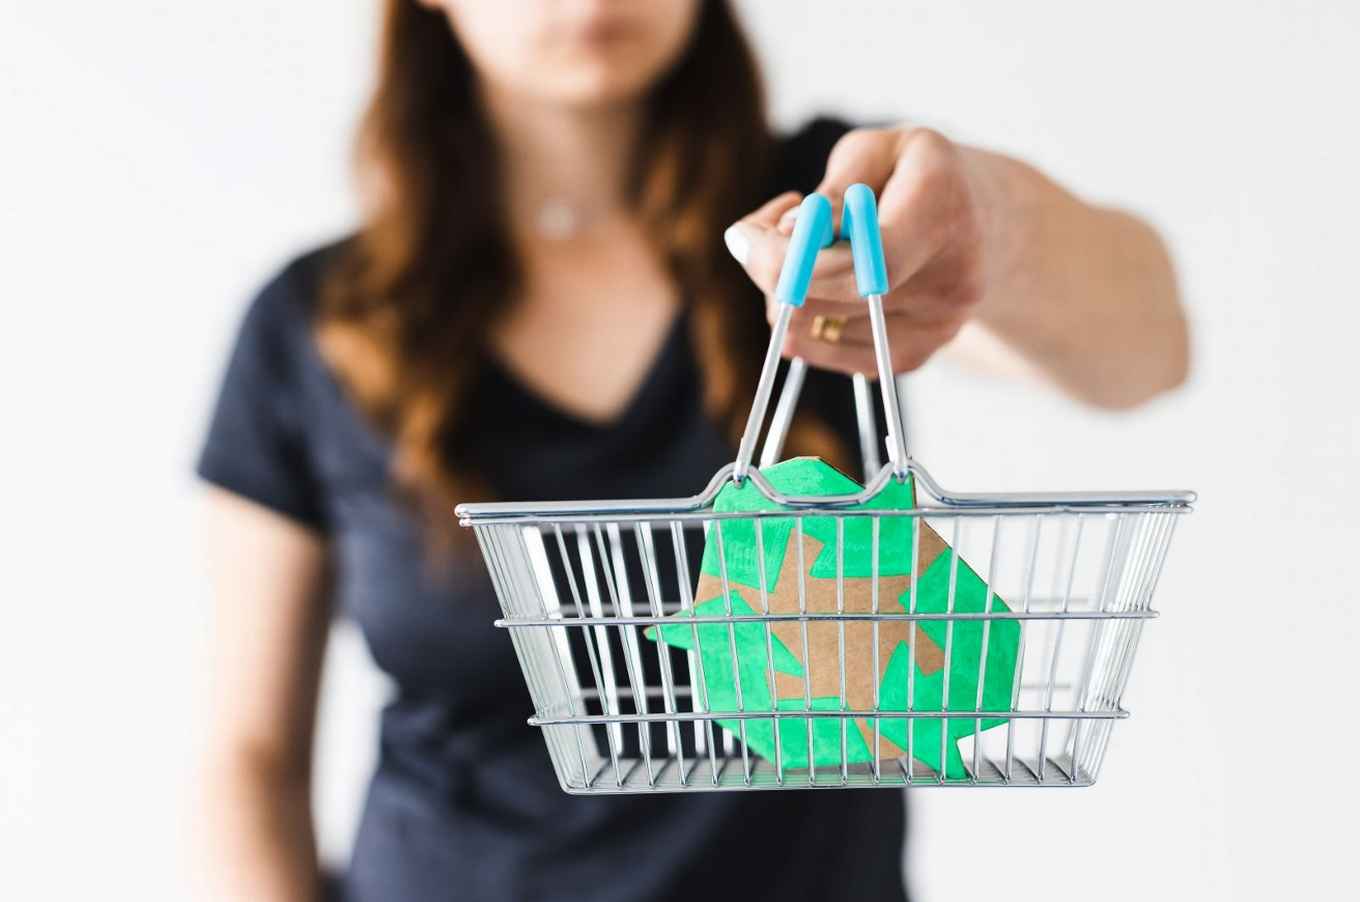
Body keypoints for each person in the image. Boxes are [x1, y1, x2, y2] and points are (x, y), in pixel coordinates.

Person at [196, 2, 1188, 900]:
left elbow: (1147, 350)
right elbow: (249, 757)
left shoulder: (837, 236)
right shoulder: (317, 324)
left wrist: (991, 226)